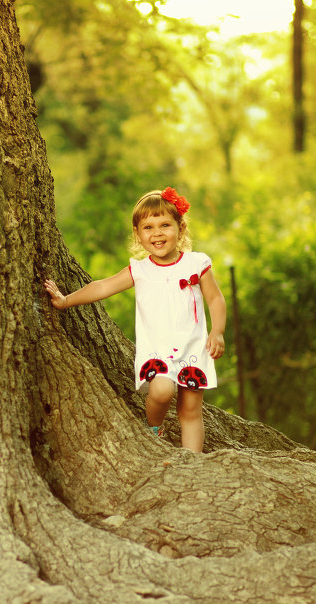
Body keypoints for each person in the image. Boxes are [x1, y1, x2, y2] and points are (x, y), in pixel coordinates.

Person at [44, 187, 226, 452]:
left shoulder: (196, 264)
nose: (157, 233)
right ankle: (153, 427)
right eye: (148, 227)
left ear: (181, 228)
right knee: (162, 390)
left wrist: (217, 331)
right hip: (158, 349)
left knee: (190, 409)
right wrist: (65, 300)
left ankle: (193, 462)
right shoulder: (140, 270)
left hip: (193, 348)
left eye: (165, 225)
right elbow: (102, 287)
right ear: (138, 235)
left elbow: (216, 299)